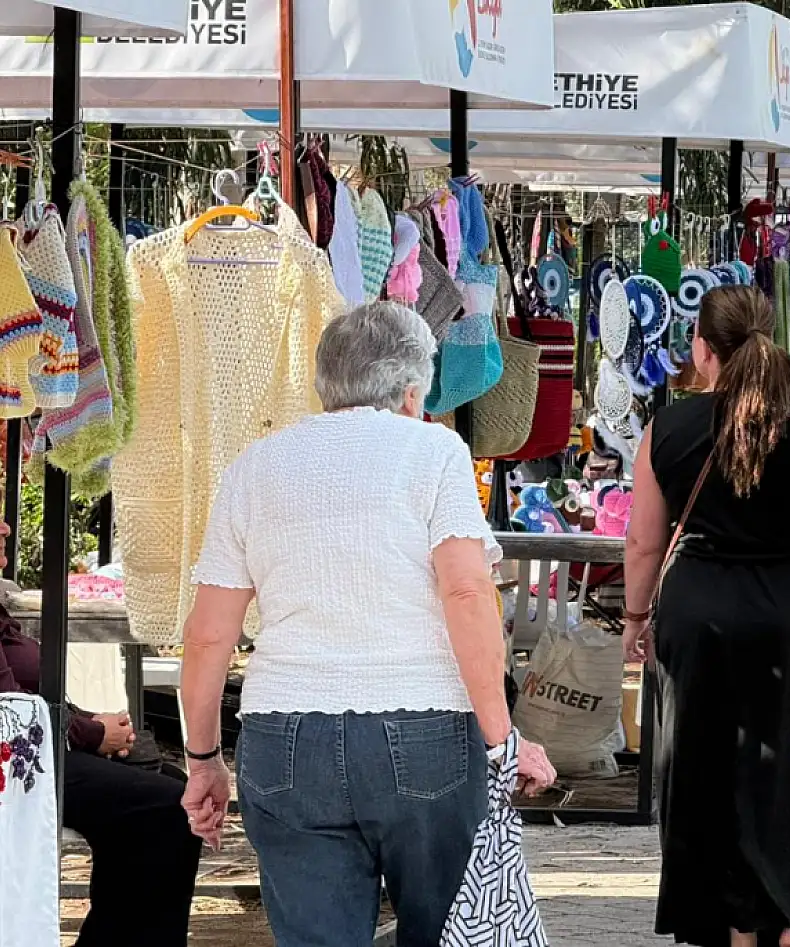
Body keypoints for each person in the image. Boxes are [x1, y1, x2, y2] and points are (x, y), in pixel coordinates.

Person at [179, 302, 556, 945]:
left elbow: (209, 634)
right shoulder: (436, 452)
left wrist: (202, 758)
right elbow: (466, 591)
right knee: (448, 931)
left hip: (285, 737)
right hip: (427, 730)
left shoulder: (254, 467)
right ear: (411, 390)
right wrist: (503, 742)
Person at [622, 286, 790, 947]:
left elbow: (642, 543)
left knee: (706, 772)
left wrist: (635, 616)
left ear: (701, 349)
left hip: (698, 619)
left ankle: (734, 921)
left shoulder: (667, 428)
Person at [0, 522, 202, 947]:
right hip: (16, 766)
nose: (5, 527)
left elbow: (29, 693)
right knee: (167, 806)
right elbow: (11, 706)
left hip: (36, 749)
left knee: (168, 784)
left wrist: (94, 722)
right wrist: (93, 733)